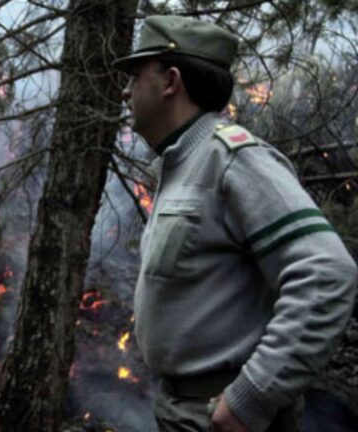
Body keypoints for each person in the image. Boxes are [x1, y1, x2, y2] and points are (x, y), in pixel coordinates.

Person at [112, 15, 358, 432]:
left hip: (222, 417)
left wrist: (251, 398)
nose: (125, 90)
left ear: (171, 82)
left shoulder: (235, 159)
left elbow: (328, 272)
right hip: (185, 409)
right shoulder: (182, 163)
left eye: (136, 76)